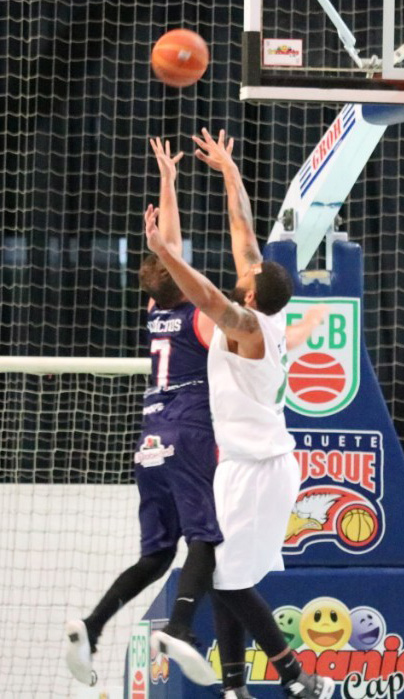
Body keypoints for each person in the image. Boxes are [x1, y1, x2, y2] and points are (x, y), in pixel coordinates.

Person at [145, 128, 333, 699]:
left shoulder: (249, 330)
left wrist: (166, 254)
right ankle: (238, 687)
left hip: (259, 469)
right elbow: (244, 233)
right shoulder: (264, 309)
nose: (239, 269)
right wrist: (230, 171)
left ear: (250, 298)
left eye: (243, 277)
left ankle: (294, 678)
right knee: (227, 574)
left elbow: (205, 296)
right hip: (242, 464)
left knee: (226, 577)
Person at [65, 138, 222, 687]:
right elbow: (176, 257)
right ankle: (180, 626)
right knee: (207, 538)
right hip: (189, 433)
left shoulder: (155, 312)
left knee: (157, 554)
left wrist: (168, 183)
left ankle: (93, 624)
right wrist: (171, 187)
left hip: (149, 441)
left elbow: (170, 252)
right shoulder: (202, 318)